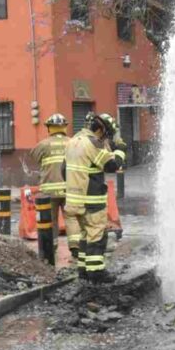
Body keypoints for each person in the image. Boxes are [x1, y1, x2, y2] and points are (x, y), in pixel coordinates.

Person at [64, 113, 125, 283]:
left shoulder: (73, 141)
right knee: (97, 236)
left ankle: (83, 270)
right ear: (101, 129)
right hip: (92, 199)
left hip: (74, 200)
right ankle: (96, 272)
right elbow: (112, 165)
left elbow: (64, 169)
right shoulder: (93, 143)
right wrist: (120, 150)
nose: (106, 138)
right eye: (106, 134)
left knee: (85, 235)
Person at [29, 113, 70, 246]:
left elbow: (34, 157)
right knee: (72, 219)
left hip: (49, 191)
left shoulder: (43, 145)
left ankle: (52, 246)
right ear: (64, 127)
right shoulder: (73, 143)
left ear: (49, 128)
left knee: (50, 221)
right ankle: (75, 247)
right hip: (69, 190)